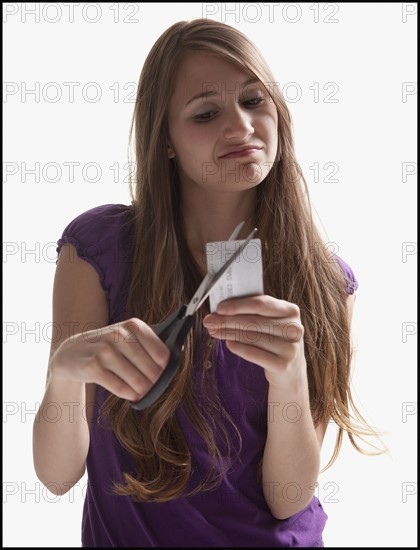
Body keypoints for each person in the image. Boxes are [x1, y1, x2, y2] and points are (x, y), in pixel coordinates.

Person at [33, 18, 382, 547]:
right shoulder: (100, 249)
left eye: (254, 101)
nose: (241, 126)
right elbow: (57, 477)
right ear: (166, 140)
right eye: (206, 113)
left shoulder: (326, 282)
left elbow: (287, 498)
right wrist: (64, 373)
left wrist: (291, 377)